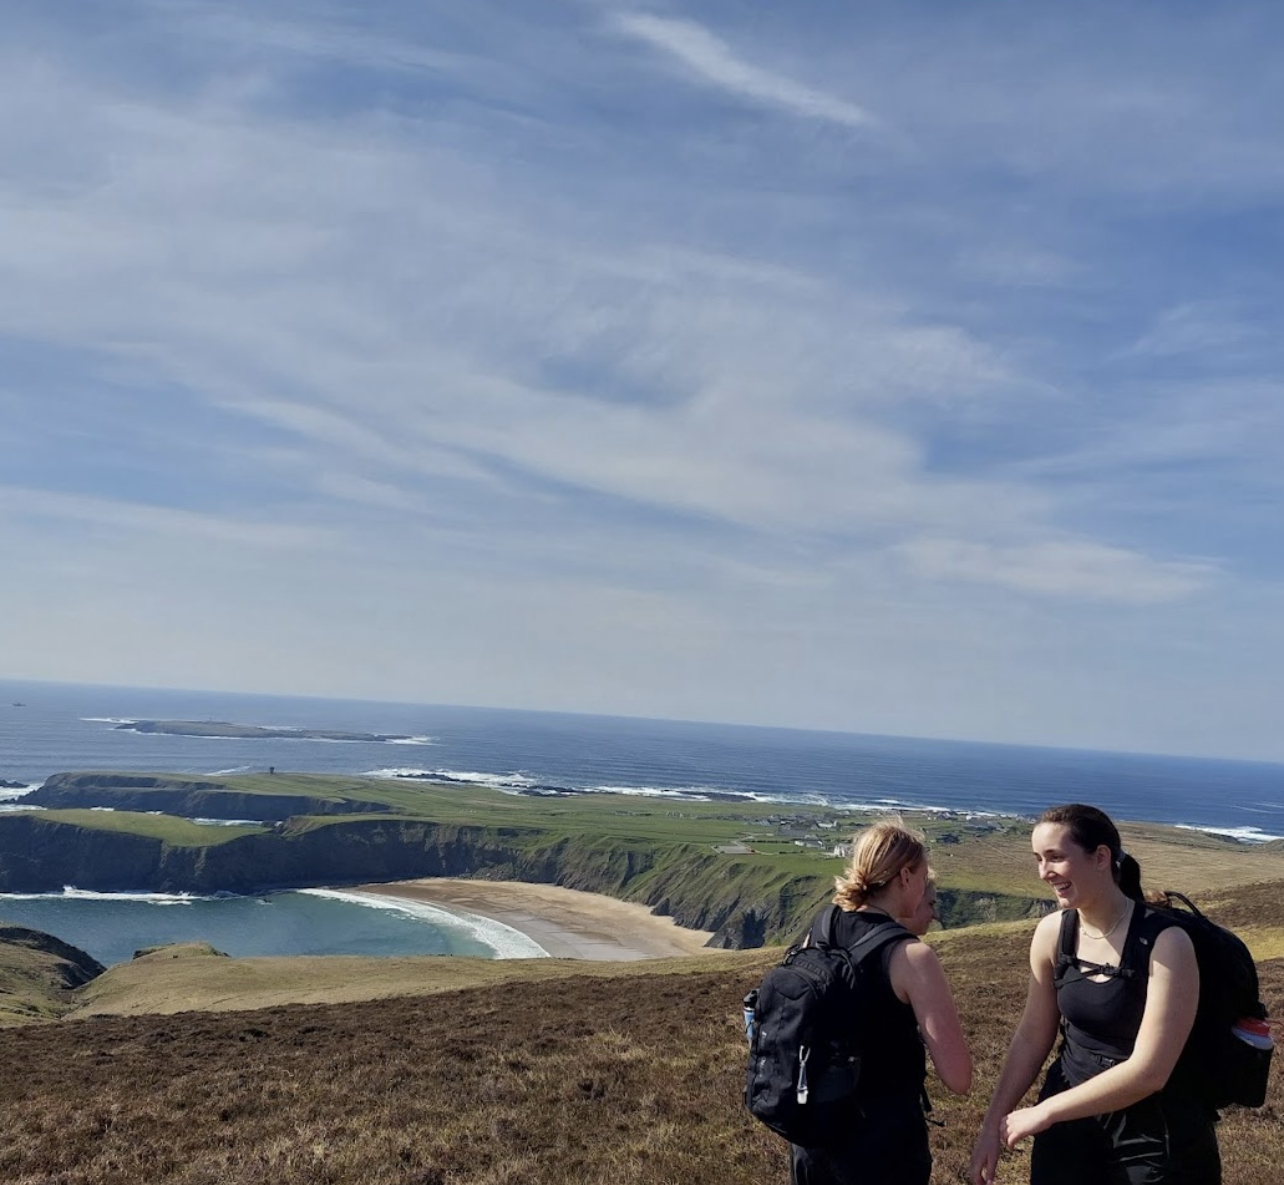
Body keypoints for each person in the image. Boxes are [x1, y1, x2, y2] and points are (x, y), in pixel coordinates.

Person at [970, 803, 1218, 1185]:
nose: (1044, 872)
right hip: (1069, 1127)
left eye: (1055, 858)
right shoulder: (1053, 933)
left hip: (1153, 1134)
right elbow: (1032, 1036)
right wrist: (991, 1124)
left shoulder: (1167, 944)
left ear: (1101, 857)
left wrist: (1047, 1112)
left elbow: (1150, 1073)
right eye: (1038, 859)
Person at [791, 820, 972, 1185]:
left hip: (813, 1139)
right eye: (922, 876)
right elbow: (959, 1078)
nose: (924, 888)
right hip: (881, 1148)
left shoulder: (822, 925)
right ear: (905, 877)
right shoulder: (910, 956)